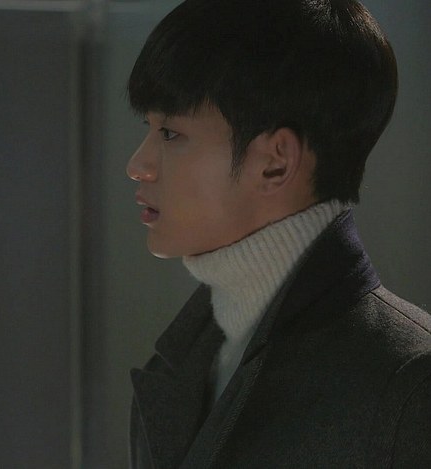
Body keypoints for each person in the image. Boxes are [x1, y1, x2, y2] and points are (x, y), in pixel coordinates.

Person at [125, 0, 431, 467]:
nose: (138, 166)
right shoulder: (185, 362)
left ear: (275, 162)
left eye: (169, 132)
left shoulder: (410, 383)